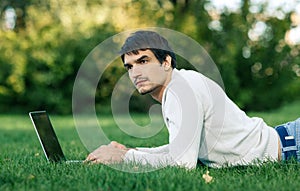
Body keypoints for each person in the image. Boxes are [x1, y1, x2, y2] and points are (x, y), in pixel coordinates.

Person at [85, 30, 300, 169]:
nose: (136, 72)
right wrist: (131, 152)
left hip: (293, 145)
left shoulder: (182, 91)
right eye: (130, 66)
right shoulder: (177, 87)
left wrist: (125, 158)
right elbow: (181, 148)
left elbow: (183, 164)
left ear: (166, 62)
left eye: (144, 61)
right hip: (289, 139)